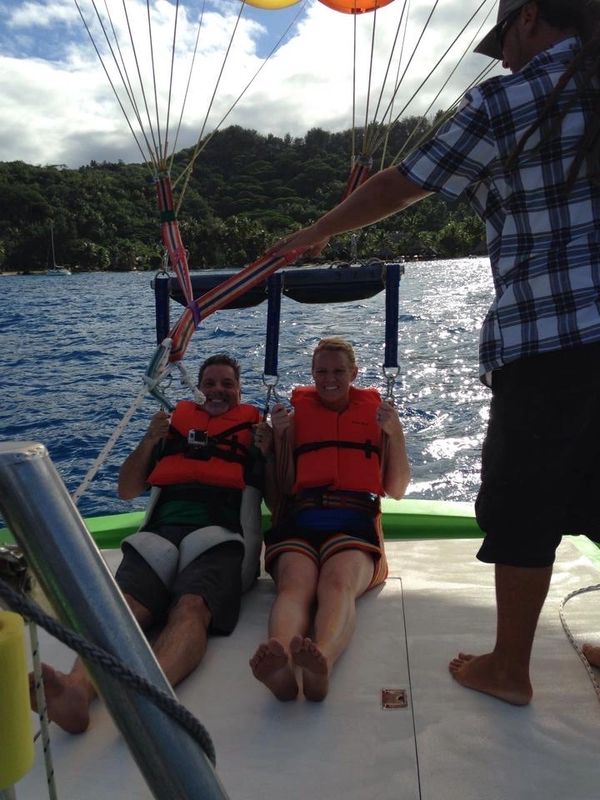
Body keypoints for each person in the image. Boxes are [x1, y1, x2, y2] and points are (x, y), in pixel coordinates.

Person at [263, 0, 600, 706]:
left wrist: (312, 236)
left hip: (552, 338)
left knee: (523, 504)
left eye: (503, 38)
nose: (503, 56)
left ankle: (509, 668)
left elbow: (401, 183)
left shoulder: (512, 97)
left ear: (530, 17)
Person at [31, 353, 274, 732]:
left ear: (239, 392)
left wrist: (271, 449)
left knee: (191, 607)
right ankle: (77, 691)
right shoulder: (171, 432)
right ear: (199, 388)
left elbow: (276, 497)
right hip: (159, 536)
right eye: (210, 382)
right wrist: (149, 440)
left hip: (221, 538)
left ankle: (152, 698)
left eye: (227, 384)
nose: (218, 390)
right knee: (125, 607)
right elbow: (127, 489)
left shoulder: (254, 434)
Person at [250, 337, 410, 701]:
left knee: (337, 584)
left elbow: (396, 489)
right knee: (296, 585)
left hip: (353, 520)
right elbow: (280, 494)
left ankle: (321, 659)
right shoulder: (293, 417)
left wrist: (394, 433)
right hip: (301, 519)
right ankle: (280, 661)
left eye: (339, 372)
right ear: (311, 374)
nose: (329, 379)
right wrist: (276, 442)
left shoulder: (377, 414)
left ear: (354, 373)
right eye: (321, 372)